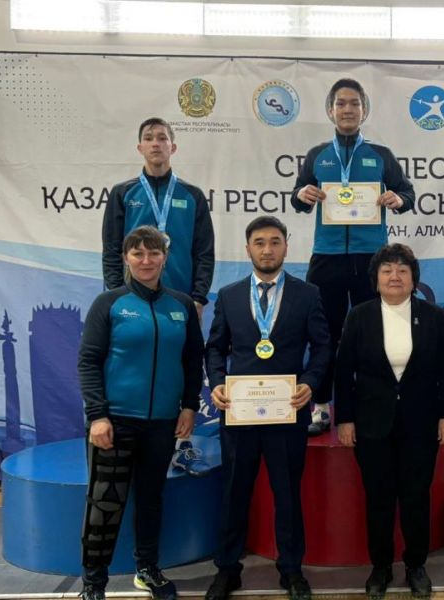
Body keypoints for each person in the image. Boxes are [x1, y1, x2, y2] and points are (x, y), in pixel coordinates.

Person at [203, 216, 331, 600]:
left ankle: (291, 570)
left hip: (287, 412)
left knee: (287, 495)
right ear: (248, 249)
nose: (267, 249)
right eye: (259, 242)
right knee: (234, 494)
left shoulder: (307, 294)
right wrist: (217, 382)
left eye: (275, 242)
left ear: (286, 246)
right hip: (239, 412)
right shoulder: (228, 295)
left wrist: (311, 382)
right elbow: (215, 348)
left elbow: (323, 347)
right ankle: (227, 570)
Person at [77, 226, 204, 600]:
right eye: (138, 253)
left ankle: (147, 569)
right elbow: (88, 361)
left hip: (162, 423)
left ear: (165, 258)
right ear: (126, 258)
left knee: (151, 500)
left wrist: (189, 405)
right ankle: (93, 583)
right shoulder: (109, 303)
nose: (146, 260)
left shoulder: (181, 306)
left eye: (153, 253)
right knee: (105, 502)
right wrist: (98, 415)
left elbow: (192, 360)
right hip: (114, 423)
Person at [291, 78, 416, 436]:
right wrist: (302, 194)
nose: (348, 110)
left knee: (372, 332)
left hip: (371, 259)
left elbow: (407, 194)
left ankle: (370, 403)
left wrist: (397, 199)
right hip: (327, 257)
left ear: (364, 110)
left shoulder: (381, 155)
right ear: (331, 111)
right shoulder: (317, 155)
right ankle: (320, 408)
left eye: (354, 104)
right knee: (323, 334)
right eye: (341, 104)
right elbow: (297, 199)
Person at [334, 243, 444, 599]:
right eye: (387, 270)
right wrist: (345, 419)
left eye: (403, 270)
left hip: (421, 424)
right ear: (375, 279)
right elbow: (343, 372)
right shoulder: (360, 316)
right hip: (372, 425)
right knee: (379, 498)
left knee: (417, 497)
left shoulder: (432, 316)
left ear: (413, 279)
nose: (394, 276)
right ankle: (381, 567)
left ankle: (416, 565)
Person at [102, 116, 215, 476]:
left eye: (162, 138)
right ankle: (128, 439)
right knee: (134, 365)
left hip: (180, 302)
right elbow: (111, 250)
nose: (156, 143)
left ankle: (182, 445)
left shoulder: (192, 196)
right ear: (140, 147)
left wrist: (198, 298)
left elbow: (204, 252)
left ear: (173, 147)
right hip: (133, 300)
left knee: (182, 367)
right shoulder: (123, 193)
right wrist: (115, 296)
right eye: (149, 138)